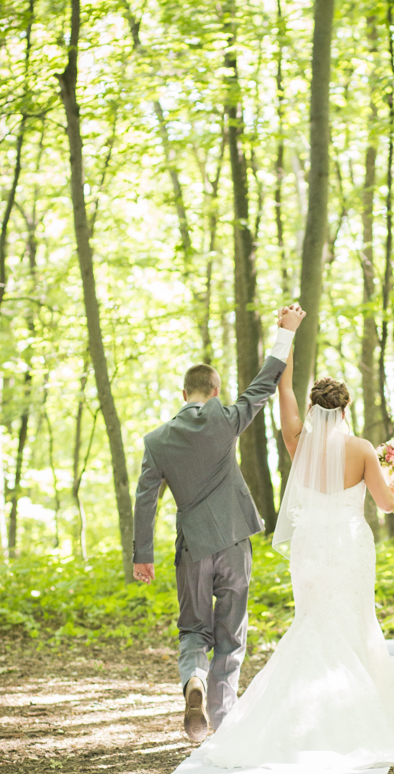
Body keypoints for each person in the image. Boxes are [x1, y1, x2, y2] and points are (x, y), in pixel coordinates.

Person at [199, 305, 394, 771]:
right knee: (354, 622)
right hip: (350, 545)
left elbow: (283, 387)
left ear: (313, 407)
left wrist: (286, 336)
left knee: (312, 621)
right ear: (347, 407)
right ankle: (356, 715)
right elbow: (386, 503)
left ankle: (295, 720)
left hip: (310, 547)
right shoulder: (361, 449)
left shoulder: (298, 440)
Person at [132, 304, 306, 742]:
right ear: (215, 388)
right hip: (233, 541)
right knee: (231, 632)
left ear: (184, 391)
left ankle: (194, 677)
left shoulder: (157, 441)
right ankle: (222, 721)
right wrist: (285, 332)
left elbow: (145, 499)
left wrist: (143, 557)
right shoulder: (225, 419)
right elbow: (264, 385)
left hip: (193, 548)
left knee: (194, 628)